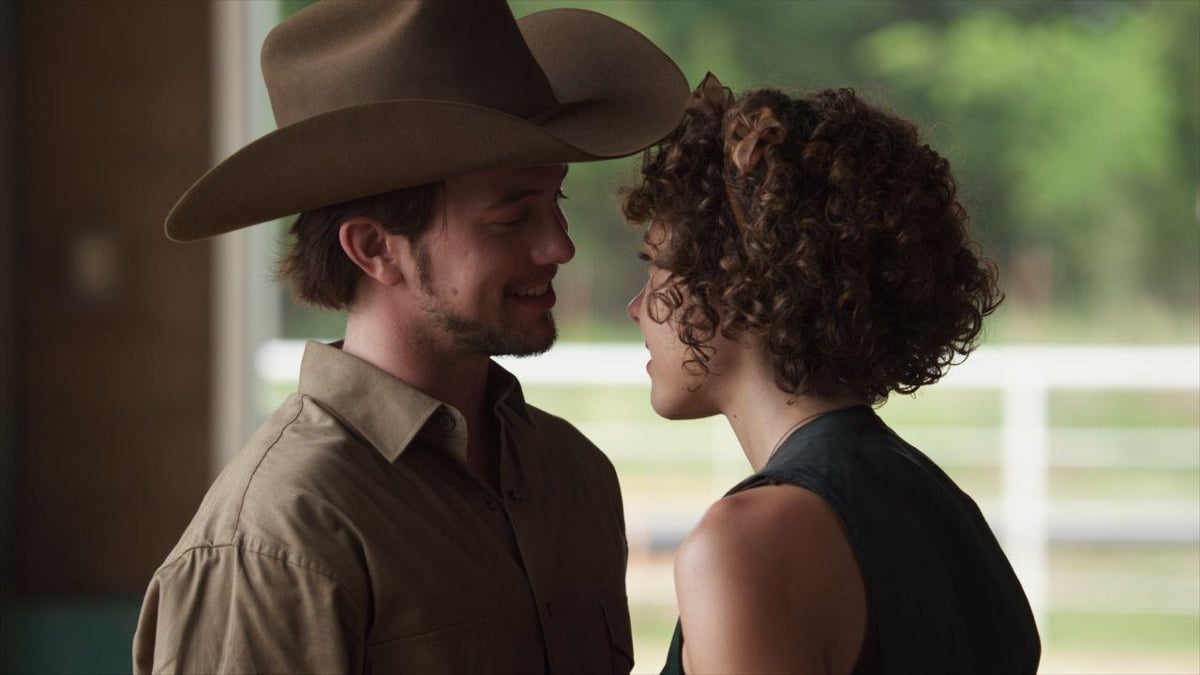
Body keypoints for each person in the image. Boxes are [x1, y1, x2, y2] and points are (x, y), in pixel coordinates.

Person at [133, 2, 687, 673]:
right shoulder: (276, 535)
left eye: (556, 202)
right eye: (512, 218)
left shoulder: (574, 474)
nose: (559, 246)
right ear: (375, 249)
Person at [622, 74, 1041, 674]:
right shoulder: (945, 508)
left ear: (736, 283)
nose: (637, 306)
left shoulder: (749, 544)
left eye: (655, 266)